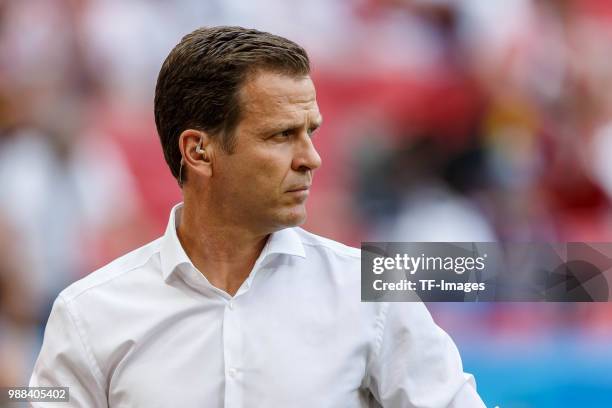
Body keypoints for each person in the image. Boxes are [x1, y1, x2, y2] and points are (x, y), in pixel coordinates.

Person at [30, 26, 485, 407]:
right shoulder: (88, 314)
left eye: (311, 131)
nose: (312, 158)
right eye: (282, 135)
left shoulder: (372, 293)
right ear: (198, 151)